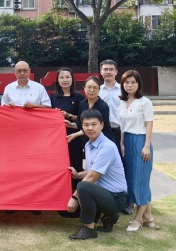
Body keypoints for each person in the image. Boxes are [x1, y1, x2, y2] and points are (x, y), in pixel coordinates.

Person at [67, 109, 127, 240]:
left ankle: (89, 229)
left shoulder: (107, 147)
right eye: (86, 124)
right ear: (82, 126)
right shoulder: (88, 145)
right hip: (103, 193)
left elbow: (92, 177)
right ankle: (108, 217)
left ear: (102, 125)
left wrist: (74, 197)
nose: (90, 128)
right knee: (67, 212)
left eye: (94, 124)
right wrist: (78, 175)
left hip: (116, 197)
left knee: (83, 186)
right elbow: (93, 170)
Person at [117, 70, 156, 232]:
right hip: (127, 141)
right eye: (126, 82)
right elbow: (122, 126)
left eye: (133, 82)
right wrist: (122, 143)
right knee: (132, 180)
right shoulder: (122, 102)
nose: (129, 85)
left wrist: (146, 145)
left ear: (138, 84)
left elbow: (149, 124)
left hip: (141, 141)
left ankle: (138, 219)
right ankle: (148, 216)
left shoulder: (145, 102)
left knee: (141, 181)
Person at [99, 59, 132, 215]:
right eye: (105, 69)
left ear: (116, 72)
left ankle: (123, 201)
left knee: (121, 165)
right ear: (101, 72)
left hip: (120, 131)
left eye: (111, 69)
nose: (108, 72)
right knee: (103, 165)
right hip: (102, 133)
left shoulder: (124, 90)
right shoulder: (97, 90)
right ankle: (104, 199)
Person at [49, 68, 85, 190]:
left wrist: (68, 115)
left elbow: (82, 118)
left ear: (72, 79)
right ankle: (60, 191)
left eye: (67, 77)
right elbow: (47, 116)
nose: (65, 80)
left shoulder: (79, 97)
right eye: (62, 77)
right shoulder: (53, 97)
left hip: (75, 137)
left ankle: (76, 194)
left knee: (75, 164)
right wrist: (55, 115)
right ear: (57, 80)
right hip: (58, 139)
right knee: (59, 166)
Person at [67, 76, 115, 144]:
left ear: (99, 90)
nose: (92, 90)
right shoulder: (82, 104)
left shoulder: (103, 106)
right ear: (84, 88)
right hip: (87, 142)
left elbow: (96, 127)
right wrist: (71, 125)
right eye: (89, 87)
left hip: (103, 142)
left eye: (95, 88)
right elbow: (80, 122)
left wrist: (75, 135)